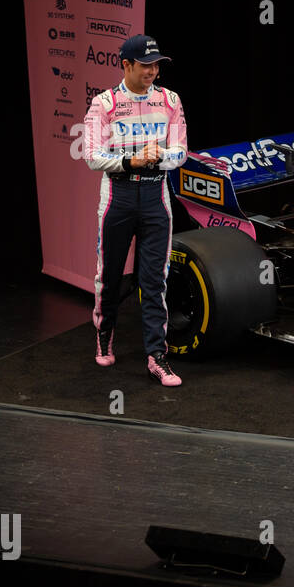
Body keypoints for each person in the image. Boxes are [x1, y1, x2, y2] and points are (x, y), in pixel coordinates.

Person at [82, 34, 188, 386]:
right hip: (118, 197)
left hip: (157, 195)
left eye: (156, 64)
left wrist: (160, 157)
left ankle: (157, 356)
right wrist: (131, 160)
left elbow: (181, 152)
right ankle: (104, 331)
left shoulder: (170, 99)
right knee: (109, 276)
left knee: (155, 280)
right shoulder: (104, 104)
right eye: (145, 65)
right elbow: (92, 156)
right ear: (125, 65)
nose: (152, 71)